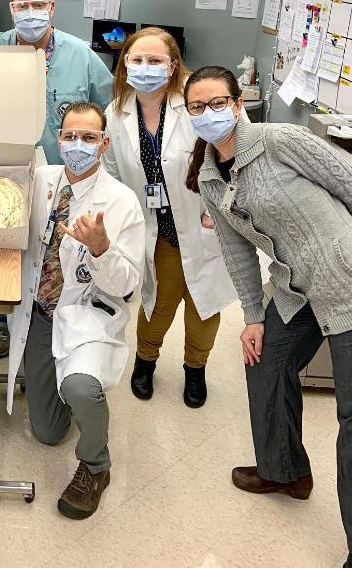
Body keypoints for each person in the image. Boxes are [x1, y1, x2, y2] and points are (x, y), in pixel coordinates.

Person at [184, 65, 352, 568]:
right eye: (197, 107)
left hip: (346, 281)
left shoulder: (281, 140)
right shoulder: (212, 179)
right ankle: (285, 471)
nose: (208, 113)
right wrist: (253, 315)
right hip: (294, 289)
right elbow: (238, 254)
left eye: (218, 103)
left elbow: (349, 183)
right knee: (266, 360)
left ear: (239, 103)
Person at [6, 101, 145, 520]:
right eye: (69, 136)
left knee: (82, 388)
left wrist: (101, 248)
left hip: (88, 313)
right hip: (39, 312)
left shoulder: (120, 202)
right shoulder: (39, 181)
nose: (77, 145)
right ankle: (68, 390)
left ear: (104, 144)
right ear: (58, 139)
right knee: (48, 433)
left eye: (88, 137)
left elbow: (127, 285)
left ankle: (95, 464)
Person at [0, 0, 113, 359]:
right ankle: (4, 325)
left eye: (37, 4)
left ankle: (52, 325)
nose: (30, 13)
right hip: (6, 171)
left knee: (52, 250)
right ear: (11, 10)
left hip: (66, 175)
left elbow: (110, 107)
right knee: (6, 245)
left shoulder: (80, 55)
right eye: (21, 6)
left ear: (51, 7)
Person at [101, 28, 235, 407]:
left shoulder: (195, 104)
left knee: (202, 305)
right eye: (137, 59)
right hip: (155, 227)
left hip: (202, 221)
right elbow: (111, 175)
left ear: (173, 66)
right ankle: (145, 361)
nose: (145, 68)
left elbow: (229, 158)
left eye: (155, 60)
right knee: (158, 302)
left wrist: (217, 210)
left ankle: (196, 369)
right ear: (124, 63)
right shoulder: (117, 112)